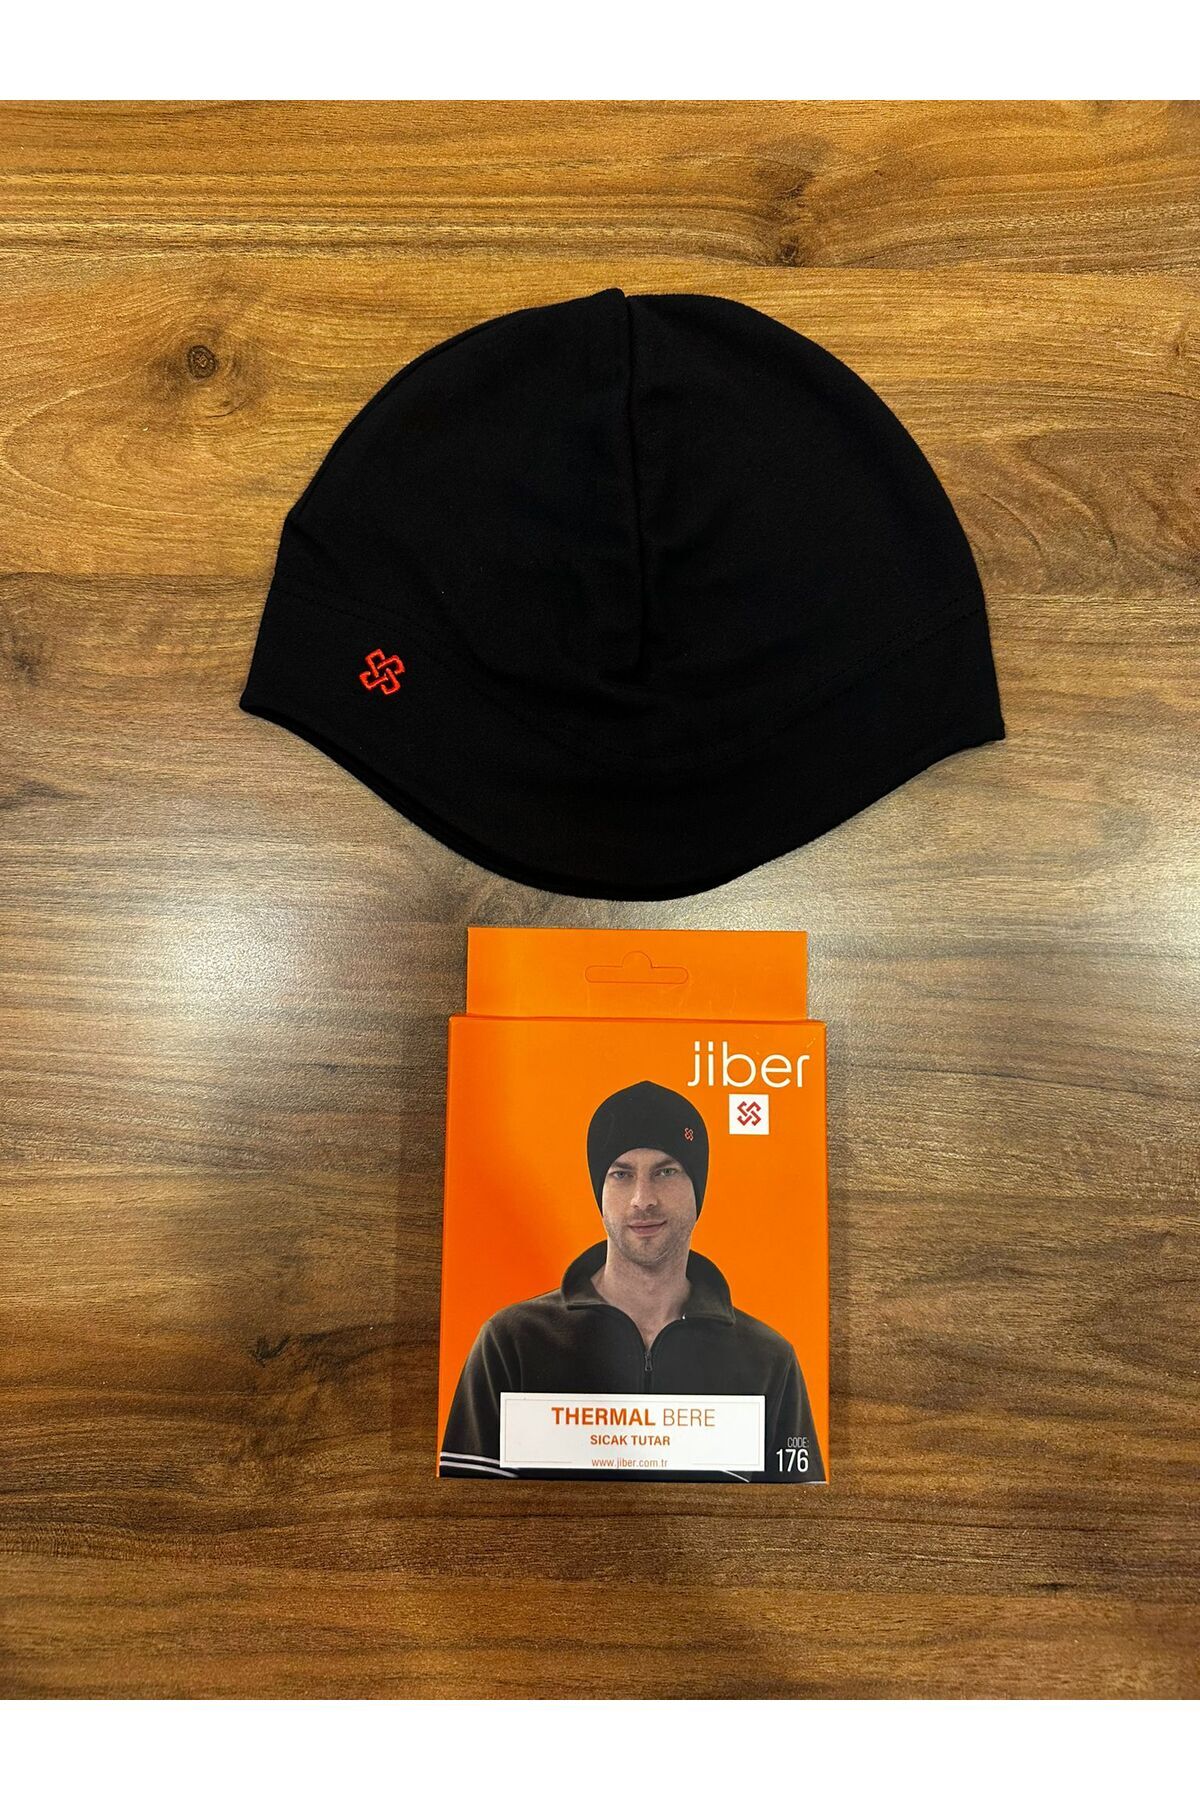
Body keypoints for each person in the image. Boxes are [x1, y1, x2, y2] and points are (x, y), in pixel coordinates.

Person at [440, 1079, 825, 1482]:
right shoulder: (511, 1343)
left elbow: (796, 1517)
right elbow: (466, 1512)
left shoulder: (768, 1361)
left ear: (698, 1189)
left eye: (666, 1171)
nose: (643, 1199)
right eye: (621, 1174)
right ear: (600, 1192)